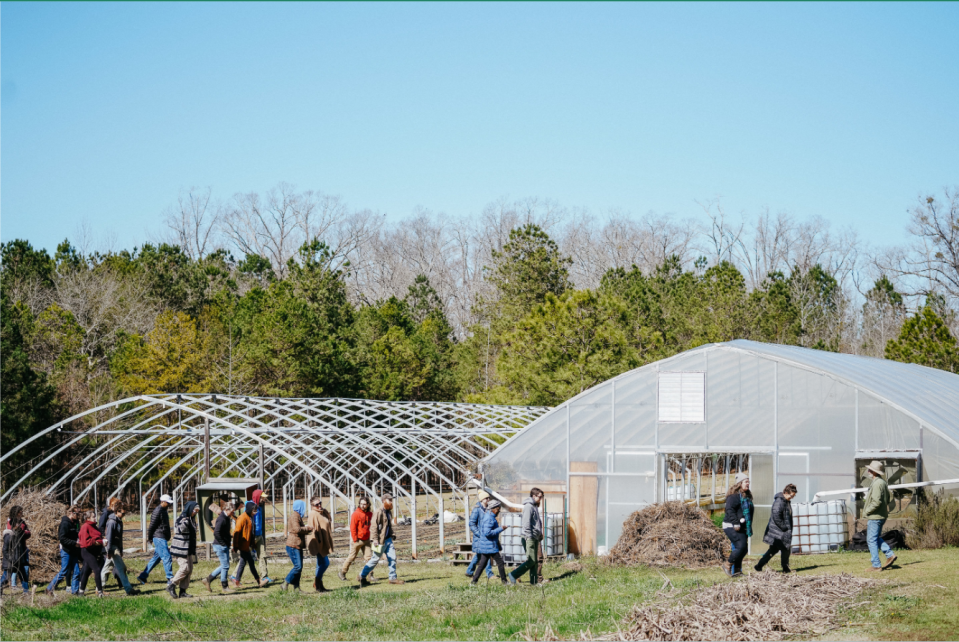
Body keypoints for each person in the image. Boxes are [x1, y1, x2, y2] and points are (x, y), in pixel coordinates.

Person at [359, 494, 404, 586]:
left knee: (393, 558)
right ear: (384, 501)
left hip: (388, 540)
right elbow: (373, 527)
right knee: (374, 560)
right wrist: (375, 539)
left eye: (391, 500)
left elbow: (388, 526)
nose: (391, 502)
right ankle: (361, 576)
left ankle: (392, 578)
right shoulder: (378, 512)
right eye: (389, 500)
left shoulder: (388, 512)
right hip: (380, 541)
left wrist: (392, 534)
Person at [863, 460, 897, 571]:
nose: (868, 471)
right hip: (881, 515)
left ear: (873, 472)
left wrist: (867, 511)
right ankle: (890, 555)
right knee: (875, 538)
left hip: (875, 516)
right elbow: (887, 499)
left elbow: (876, 502)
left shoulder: (877, 484)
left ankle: (876, 565)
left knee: (871, 540)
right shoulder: (882, 483)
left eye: (870, 469)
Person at [755, 484, 796, 573]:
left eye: (793, 496)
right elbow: (776, 516)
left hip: (780, 531)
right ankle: (785, 568)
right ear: (785, 492)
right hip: (778, 531)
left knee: (774, 550)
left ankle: (759, 566)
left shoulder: (786, 501)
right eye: (791, 495)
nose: (792, 497)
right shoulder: (779, 501)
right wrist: (784, 527)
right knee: (785, 548)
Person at [101, 502, 140, 595]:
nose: (124, 515)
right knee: (121, 568)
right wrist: (109, 551)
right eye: (123, 513)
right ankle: (129, 589)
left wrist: (121, 549)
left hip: (116, 548)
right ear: (117, 511)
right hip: (112, 548)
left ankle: (99, 588)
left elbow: (120, 537)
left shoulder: (119, 521)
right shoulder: (111, 522)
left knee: (106, 568)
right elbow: (109, 538)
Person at [508, 488, 544, 586]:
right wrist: (529, 536)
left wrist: (539, 534)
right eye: (539, 497)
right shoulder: (528, 506)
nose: (541, 499)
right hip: (529, 537)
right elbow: (526, 523)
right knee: (531, 561)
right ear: (533, 496)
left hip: (535, 537)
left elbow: (535, 523)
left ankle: (534, 582)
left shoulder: (534, 506)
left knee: (534, 561)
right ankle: (513, 574)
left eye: (542, 497)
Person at [137, 494, 174, 585]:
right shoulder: (158, 511)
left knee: (157, 558)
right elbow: (152, 525)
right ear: (163, 502)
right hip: (159, 537)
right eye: (168, 503)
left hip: (161, 537)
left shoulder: (163, 510)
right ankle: (170, 579)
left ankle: (142, 576)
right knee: (167, 557)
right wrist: (150, 538)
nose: (169, 505)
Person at [470, 499, 508, 585]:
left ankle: (473, 582)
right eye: (498, 509)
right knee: (500, 563)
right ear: (493, 509)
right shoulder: (489, 518)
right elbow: (488, 533)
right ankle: (504, 581)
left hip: (487, 544)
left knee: (482, 565)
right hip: (490, 545)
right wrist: (501, 528)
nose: (499, 511)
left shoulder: (488, 516)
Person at [46, 505, 82, 596]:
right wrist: (74, 543)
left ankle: (75, 591)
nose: (79, 515)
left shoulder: (76, 522)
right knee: (64, 571)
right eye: (77, 513)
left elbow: (78, 532)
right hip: (66, 550)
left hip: (74, 550)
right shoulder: (65, 523)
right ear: (71, 513)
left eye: (79, 513)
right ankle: (50, 588)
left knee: (77, 571)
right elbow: (62, 538)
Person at [722, 472, 753, 577]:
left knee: (744, 548)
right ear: (740, 483)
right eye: (746, 482)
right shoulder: (734, 496)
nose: (748, 484)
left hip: (742, 527)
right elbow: (729, 510)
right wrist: (736, 523)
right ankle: (727, 565)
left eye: (748, 482)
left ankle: (737, 571)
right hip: (730, 525)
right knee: (741, 546)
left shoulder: (746, 496)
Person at [233, 501, 268, 588]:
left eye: (256, 511)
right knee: (251, 563)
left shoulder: (250, 517)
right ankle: (259, 581)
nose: (255, 513)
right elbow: (236, 533)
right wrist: (235, 546)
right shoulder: (242, 518)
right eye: (254, 511)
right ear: (249, 510)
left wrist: (252, 543)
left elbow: (251, 532)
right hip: (243, 545)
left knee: (242, 563)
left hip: (247, 544)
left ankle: (236, 581)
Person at [168, 501, 199, 599]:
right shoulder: (182, 518)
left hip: (188, 548)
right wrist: (185, 522)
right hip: (180, 548)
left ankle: (182, 591)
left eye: (197, 511)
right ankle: (172, 585)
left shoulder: (192, 519)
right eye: (194, 510)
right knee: (184, 568)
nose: (195, 513)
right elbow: (179, 529)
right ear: (190, 509)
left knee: (189, 570)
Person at [202, 502, 235, 593]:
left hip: (223, 544)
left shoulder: (227, 518)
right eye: (232, 512)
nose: (233, 513)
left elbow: (223, 532)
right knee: (225, 566)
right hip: (220, 546)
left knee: (224, 566)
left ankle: (208, 579)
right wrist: (223, 543)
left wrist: (229, 537)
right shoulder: (221, 519)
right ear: (226, 510)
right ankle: (225, 587)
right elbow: (216, 533)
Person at [339, 497, 373, 582]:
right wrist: (355, 539)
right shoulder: (356, 514)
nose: (363, 506)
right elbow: (353, 527)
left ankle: (370, 575)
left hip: (366, 540)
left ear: (368, 505)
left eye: (364, 504)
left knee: (369, 558)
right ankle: (342, 572)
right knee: (351, 557)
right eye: (361, 504)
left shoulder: (370, 514)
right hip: (357, 540)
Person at [306, 497, 335, 592]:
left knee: (319, 564)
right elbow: (312, 529)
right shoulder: (313, 514)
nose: (319, 505)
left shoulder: (321, 512)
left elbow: (328, 521)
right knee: (325, 563)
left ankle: (319, 585)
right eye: (316, 504)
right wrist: (316, 544)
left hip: (324, 540)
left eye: (320, 503)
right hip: (319, 542)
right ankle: (317, 582)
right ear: (312, 506)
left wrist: (325, 512)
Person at [282, 500, 313, 592]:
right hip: (293, 545)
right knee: (298, 567)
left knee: (299, 567)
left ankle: (296, 588)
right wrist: (307, 528)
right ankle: (285, 583)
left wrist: (308, 530)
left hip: (297, 545)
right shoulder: (295, 516)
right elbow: (296, 529)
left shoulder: (297, 516)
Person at [1, 506, 31, 595]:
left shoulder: (21, 528)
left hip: (20, 555)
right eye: (20, 512)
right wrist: (10, 559)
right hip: (12, 558)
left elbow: (28, 533)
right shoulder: (9, 535)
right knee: (6, 577)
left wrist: (24, 532)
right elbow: (5, 550)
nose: (21, 513)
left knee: (23, 574)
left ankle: (26, 591)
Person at [78, 509, 106, 597]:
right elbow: (86, 542)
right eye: (93, 517)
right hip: (87, 551)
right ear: (88, 518)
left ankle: (81, 592)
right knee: (97, 570)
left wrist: (102, 541)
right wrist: (100, 542)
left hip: (94, 551)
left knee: (87, 570)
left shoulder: (94, 526)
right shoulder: (85, 527)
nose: (95, 518)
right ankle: (100, 592)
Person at [465, 492, 493, 580]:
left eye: (489, 498)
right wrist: (479, 534)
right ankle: (490, 574)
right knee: (486, 554)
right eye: (486, 498)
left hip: (487, 536)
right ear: (482, 500)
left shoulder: (488, 509)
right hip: (480, 537)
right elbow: (472, 523)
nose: (488, 500)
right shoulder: (477, 509)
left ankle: (469, 571)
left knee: (479, 555)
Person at [251, 490, 272, 584]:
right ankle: (234, 576)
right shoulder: (251, 506)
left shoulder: (259, 507)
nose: (264, 499)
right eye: (262, 497)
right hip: (252, 536)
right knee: (245, 557)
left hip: (259, 535)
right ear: (257, 497)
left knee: (263, 555)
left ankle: (264, 576)